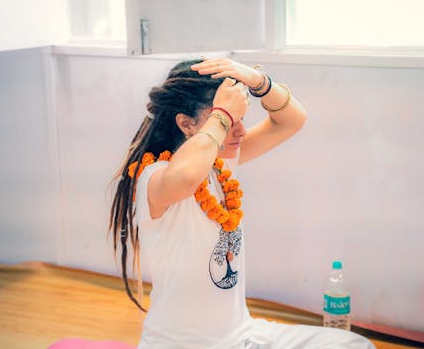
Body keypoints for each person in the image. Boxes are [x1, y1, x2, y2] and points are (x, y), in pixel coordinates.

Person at [109, 58, 374, 349]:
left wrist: (259, 82)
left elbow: (291, 120)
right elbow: (186, 176)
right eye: (225, 122)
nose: (240, 131)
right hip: (182, 345)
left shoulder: (220, 164)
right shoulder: (154, 177)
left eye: (240, 120)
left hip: (242, 337)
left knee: (354, 345)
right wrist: (223, 113)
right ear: (185, 123)